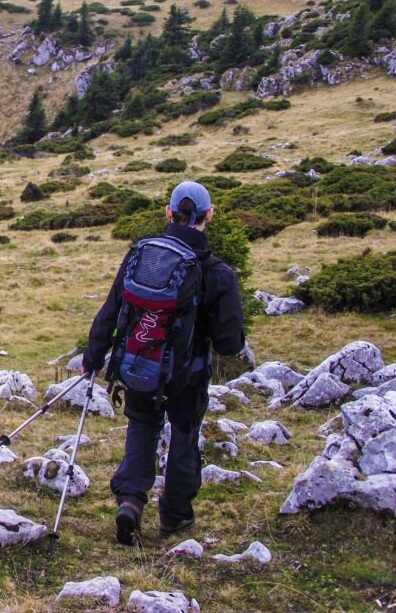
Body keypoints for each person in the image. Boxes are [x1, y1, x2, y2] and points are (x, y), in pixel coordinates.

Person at [81, 181, 249, 545]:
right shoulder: (217, 272)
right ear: (209, 215)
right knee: (184, 436)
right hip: (187, 375)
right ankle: (175, 517)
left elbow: (111, 309)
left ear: (168, 213)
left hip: (140, 364)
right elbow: (229, 343)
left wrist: (93, 356)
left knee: (142, 426)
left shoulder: (140, 256)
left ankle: (130, 501)